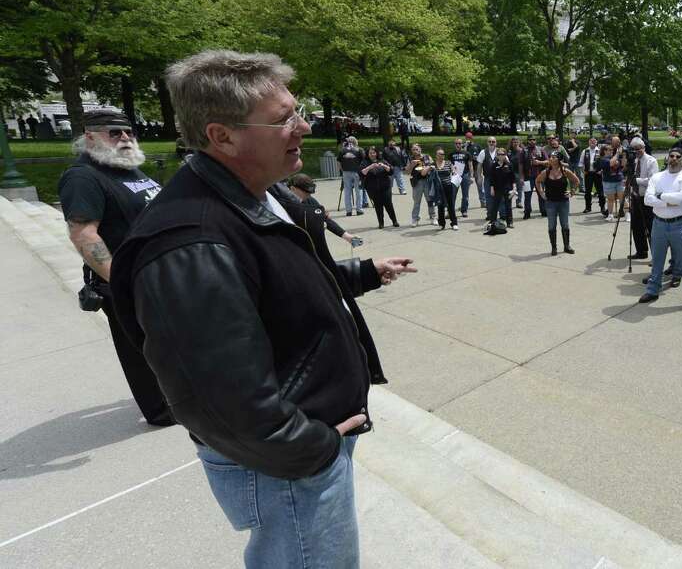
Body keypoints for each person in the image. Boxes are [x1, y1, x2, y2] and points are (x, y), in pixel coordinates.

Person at [109, 50, 416, 567]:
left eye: (298, 111)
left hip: (297, 450)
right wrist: (310, 448)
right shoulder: (191, 242)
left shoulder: (257, 194)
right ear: (221, 136)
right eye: (284, 120)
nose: (304, 126)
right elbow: (216, 396)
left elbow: (277, 289)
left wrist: (361, 273)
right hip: (285, 464)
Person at [58, 109, 170, 427]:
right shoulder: (83, 177)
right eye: (114, 132)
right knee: (140, 349)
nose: (124, 138)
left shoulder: (128, 169)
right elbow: (83, 234)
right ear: (90, 136)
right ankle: (160, 410)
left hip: (159, 274)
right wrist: (122, 283)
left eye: (128, 132)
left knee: (169, 340)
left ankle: (183, 394)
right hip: (126, 280)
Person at [638, 149, 682, 312]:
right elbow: (647, 199)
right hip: (658, 224)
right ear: (667, 159)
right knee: (657, 260)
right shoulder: (657, 177)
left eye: (677, 157)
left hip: (680, 225)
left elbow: (680, 199)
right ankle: (653, 290)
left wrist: (659, 197)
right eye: (671, 156)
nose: (673, 159)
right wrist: (668, 200)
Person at [287, 173, 363, 248]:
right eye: (306, 193)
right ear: (293, 189)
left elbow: (325, 219)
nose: (308, 196)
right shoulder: (280, 204)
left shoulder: (309, 200)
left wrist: (348, 237)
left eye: (309, 193)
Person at [536, 153, 579, 255]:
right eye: (550, 157)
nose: (551, 158)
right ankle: (554, 248)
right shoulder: (546, 172)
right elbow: (537, 181)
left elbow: (576, 181)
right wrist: (541, 193)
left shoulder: (565, 171)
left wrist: (572, 192)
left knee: (565, 224)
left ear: (559, 159)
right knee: (552, 225)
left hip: (563, 202)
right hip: (550, 203)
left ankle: (567, 246)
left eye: (553, 157)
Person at [360, 147, 398, 229]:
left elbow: (391, 171)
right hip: (372, 188)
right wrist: (370, 167)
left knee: (388, 204)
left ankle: (394, 221)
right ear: (368, 154)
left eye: (374, 153)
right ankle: (381, 223)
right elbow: (362, 173)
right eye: (370, 153)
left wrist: (384, 166)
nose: (372, 154)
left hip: (385, 187)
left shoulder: (382, 161)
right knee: (378, 205)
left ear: (376, 153)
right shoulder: (365, 162)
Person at [486, 147, 516, 232]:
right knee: (495, 206)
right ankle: (492, 221)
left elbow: (512, 178)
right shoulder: (494, 165)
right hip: (497, 189)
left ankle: (510, 222)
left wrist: (514, 189)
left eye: (502, 154)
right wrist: (492, 189)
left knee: (508, 206)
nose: (500, 156)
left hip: (507, 189)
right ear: (497, 155)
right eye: (498, 154)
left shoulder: (509, 165)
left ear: (505, 155)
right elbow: (491, 179)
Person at [406, 143, 436, 226]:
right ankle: (415, 219)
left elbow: (434, 166)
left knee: (430, 200)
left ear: (420, 149)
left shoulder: (427, 157)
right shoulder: (410, 159)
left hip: (427, 181)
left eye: (417, 149)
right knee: (416, 202)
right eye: (413, 150)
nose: (415, 151)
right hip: (416, 183)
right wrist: (412, 165)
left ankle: (433, 217)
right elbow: (407, 172)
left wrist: (427, 168)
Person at [431, 148, 459, 230]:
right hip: (438, 188)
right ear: (436, 155)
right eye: (440, 154)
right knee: (440, 205)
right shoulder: (433, 164)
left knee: (451, 205)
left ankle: (454, 223)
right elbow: (427, 174)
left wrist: (454, 171)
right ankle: (441, 224)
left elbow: (454, 171)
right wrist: (429, 169)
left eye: (443, 154)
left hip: (448, 186)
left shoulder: (448, 163)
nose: (442, 156)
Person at [338, 135, 365, 216]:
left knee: (347, 191)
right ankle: (359, 210)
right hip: (357, 172)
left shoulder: (342, 150)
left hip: (346, 172)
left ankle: (348, 211)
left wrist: (342, 171)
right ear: (355, 142)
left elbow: (339, 162)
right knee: (358, 191)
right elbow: (363, 161)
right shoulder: (359, 149)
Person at [580, 137, 606, 215]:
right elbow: (581, 163)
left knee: (600, 191)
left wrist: (601, 171)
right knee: (587, 191)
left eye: (594, 141)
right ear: (589, 142)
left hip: (597, 174)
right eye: (591, 141)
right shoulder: (585, 151)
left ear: (596, 142)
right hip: (588, 173)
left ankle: (602, 207)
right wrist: (583, 171)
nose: (592, 142)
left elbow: (604, 162)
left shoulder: (600, 151)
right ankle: (588, 207)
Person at [600, 144, 624, 222]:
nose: (611, 151)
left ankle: (627, 214)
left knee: (622, 198)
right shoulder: (603, 159)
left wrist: (623, 156)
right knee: (610, 199)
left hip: (619, 180)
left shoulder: (615, 157)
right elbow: (611, 163)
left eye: (611, 150)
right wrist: (617, 153)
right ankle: (610, 215)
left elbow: (623, 165)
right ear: (605, 151)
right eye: (609, 150)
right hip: (609, 182)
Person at [476, 136, 500, 211]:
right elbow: (479, 165)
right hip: (488, 178)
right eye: (489, 141)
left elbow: (507, 163)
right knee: (488, 196)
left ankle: (501, 215)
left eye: (493, 142)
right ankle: (490, 214)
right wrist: (479, 177)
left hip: (499, 179)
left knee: (499, 196)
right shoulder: (483, 152)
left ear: (496, 143)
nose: (491, 143)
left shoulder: (500, 152)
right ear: (487, 143)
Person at [451, 138, 472, 218]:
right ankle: (451, 211)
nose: (458, 145)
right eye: (456, 143)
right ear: (454, 144)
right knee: (453, 194)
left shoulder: (467, 153)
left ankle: (464, 210)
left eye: (459, 143)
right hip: (456, 175)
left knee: (465, 194)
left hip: (465, 175)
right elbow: (450, 164)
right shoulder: (451, 154)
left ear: (462, 144)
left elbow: (470, 165)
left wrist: (471, 176)